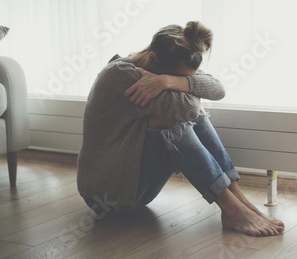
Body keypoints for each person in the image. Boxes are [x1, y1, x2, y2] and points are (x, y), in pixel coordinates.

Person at [77, 21, 284, 237]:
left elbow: (218, 89)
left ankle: (239, 201)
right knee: (174, 124)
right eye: (177, 77)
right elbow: (191, 108)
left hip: (136, 191)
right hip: (108, 197)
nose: (178, 81)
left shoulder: (165, 64)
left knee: (188, 119)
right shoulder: (123, 75)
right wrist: (178, 83)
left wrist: (169, 81)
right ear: (153, 58)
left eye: (183, 78)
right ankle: (232, 208)